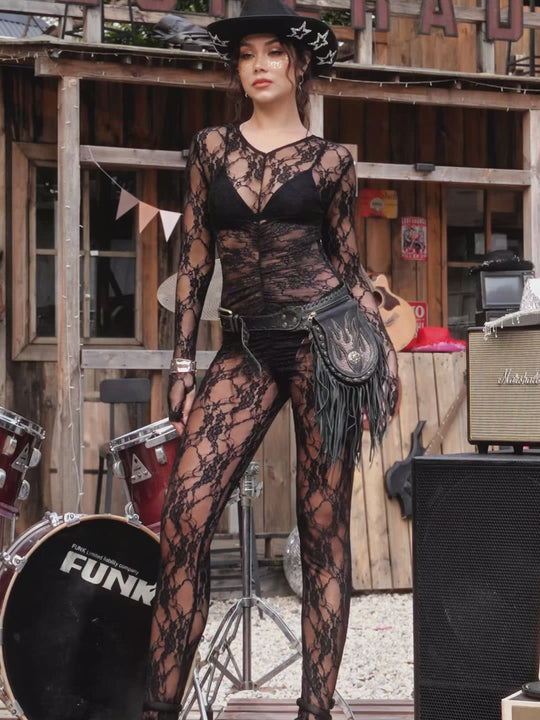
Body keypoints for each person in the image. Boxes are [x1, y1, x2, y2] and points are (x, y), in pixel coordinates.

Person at [142, 1, 399, 718]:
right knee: (185, 519)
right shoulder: (210, 148)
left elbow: (347, 264)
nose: (257, 65)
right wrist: (182, 365)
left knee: (323, 532)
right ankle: (157, 708)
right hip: (245, 347)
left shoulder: (332, 160)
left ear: (299, 64)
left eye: (273, 52)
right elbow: (194, 256)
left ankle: (315, 709)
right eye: (246, 53)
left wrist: (378, 349)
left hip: (324, 342)